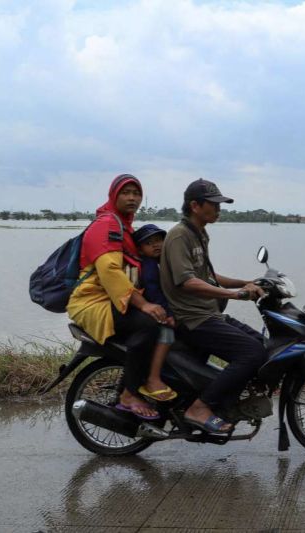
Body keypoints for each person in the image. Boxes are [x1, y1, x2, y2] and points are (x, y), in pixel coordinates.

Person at [160, 178, 266, 434]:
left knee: (263, 347)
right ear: (195, 206)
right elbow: (187, 282)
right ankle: (200, 408)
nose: (218, 209)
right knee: (251, 353)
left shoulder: (199, 233)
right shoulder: (179, 236)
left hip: (208, 313)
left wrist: (247, 281)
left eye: (220, 204)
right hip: (192, 318)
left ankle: (226, 402)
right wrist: (234, 294)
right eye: (214, 204)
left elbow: (207, 276)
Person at [67, 174, 169, 420]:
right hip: (93, 302)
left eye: (137, 193)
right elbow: (109, 270)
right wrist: (143, 304)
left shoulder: (123, 225)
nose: (132, 198)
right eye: (126, 192)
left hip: (110, 299)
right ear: (114, 195)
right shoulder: (108, 225)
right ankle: (129, 393)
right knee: (149, 324)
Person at [133, 223, 178, 402]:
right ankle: (154, 377)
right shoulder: (150, 265)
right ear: (141, 250)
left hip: (157, 308)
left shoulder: (161, 263)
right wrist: (168, 314)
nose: (156, 245)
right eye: (149, 243)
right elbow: (154, 293)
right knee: (167, 336)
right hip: (155, 311)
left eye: (159, 240)